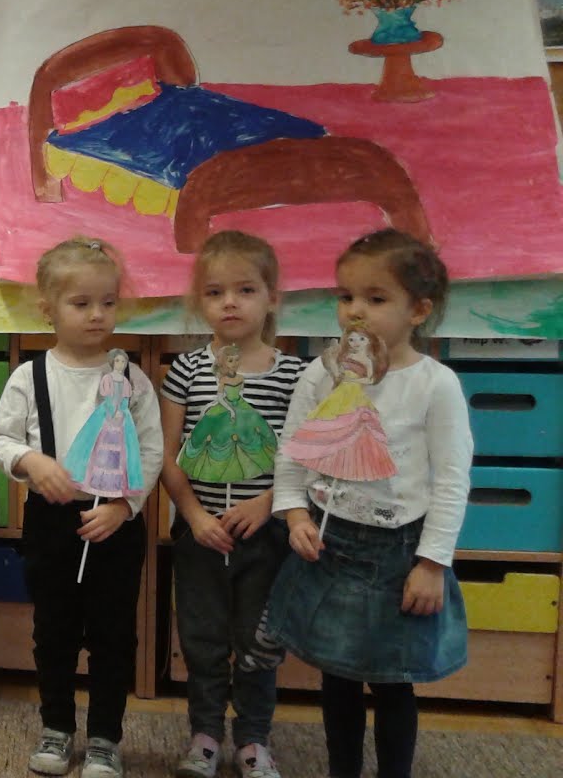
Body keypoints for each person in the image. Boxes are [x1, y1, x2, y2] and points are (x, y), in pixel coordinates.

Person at [265, 230, 471, 778]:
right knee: (337, 674)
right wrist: (294, 511)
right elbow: (294, 448)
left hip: (398, 554)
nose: (355, 311)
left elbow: (452, 480)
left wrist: (432, 563)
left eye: (375, 299)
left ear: (418, 310)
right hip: (329, 544)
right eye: (346, 296)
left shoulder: (435, 384)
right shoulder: (322, 372)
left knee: (392, 679)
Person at [0, 237, 163, 778]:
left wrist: (125, 507)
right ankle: (57, 727)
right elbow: (0, 439)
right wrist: (30, 462)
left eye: (107, 302)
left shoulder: (130, 378)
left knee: (114, 635)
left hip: (113, 523)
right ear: (49, 309)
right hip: (51, 523)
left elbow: (151, 449)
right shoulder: (29, 376)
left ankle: (105, 737)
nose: (96, 314)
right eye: (81, 303)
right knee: (54, 632)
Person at [159, 231, 303, 778]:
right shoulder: (187, 370)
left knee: (258, 642)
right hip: (200, 535)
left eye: (245, 290)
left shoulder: (294, 374)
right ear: (200, 301)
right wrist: (194, 516)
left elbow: (303, 457)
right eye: (215, 292)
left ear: (271, 298)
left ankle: (254, 739)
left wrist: (268, 503)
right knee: (202, 639)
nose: (230, 303)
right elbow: (167, 455)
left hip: (265, 535)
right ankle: (204, 735)